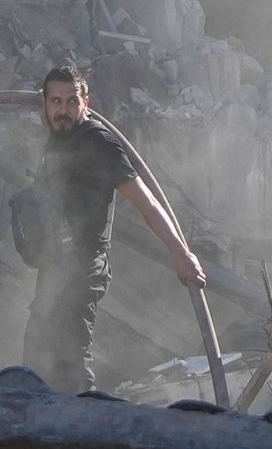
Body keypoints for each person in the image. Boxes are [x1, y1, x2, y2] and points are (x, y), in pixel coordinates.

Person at [22, 64, 208, 393]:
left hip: (84, 266)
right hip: (54, 266)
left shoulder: (99, 144)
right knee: (36, 353)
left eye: (71, 102)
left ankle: (85, 427)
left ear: (85, 102)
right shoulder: (58, 137)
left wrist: (182, 254)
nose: (63, 110)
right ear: (45, 103)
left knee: (68, 358)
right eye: (55, 102)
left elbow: (147, 202)